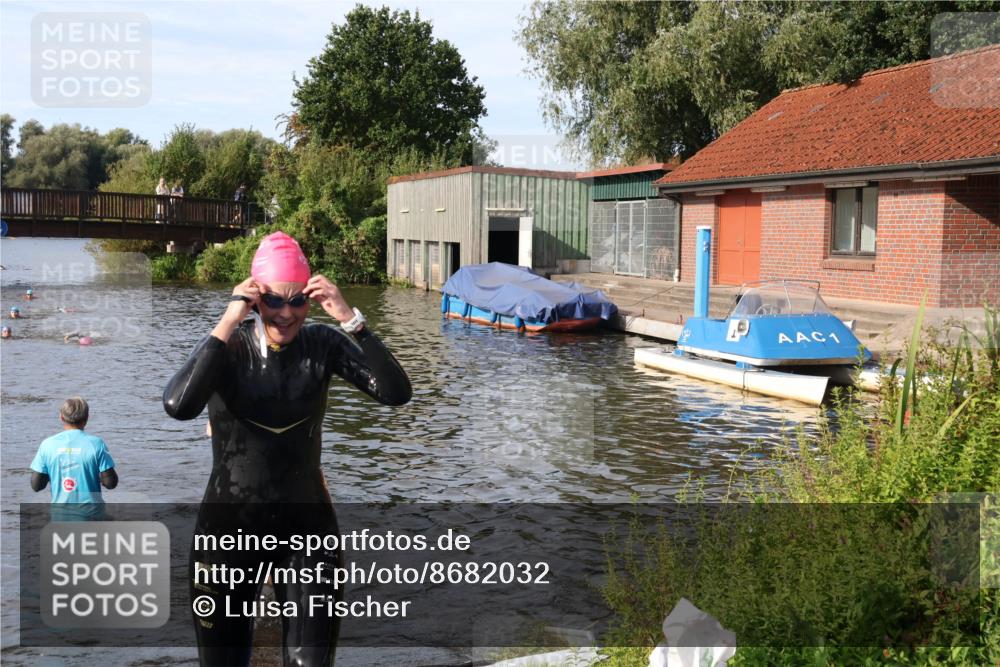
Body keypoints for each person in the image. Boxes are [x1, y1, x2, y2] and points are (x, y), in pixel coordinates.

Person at [163, 231, 411, 667]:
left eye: (297, 301)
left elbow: (395, 393)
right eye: (274, 300)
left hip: (307, 531)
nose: (286, 312)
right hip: (228, 531)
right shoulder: (228, 347)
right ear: (255, 298)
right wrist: (229, 317)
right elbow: (178, 405)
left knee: (310, 663)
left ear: (310, 300)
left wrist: (351, 319)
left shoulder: (323, 344)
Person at [30, 397, 118, 519]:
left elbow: (36, 486)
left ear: (61, 417)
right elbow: (110, 483)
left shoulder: (47, 445)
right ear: (86, 418)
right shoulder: (96, 444)